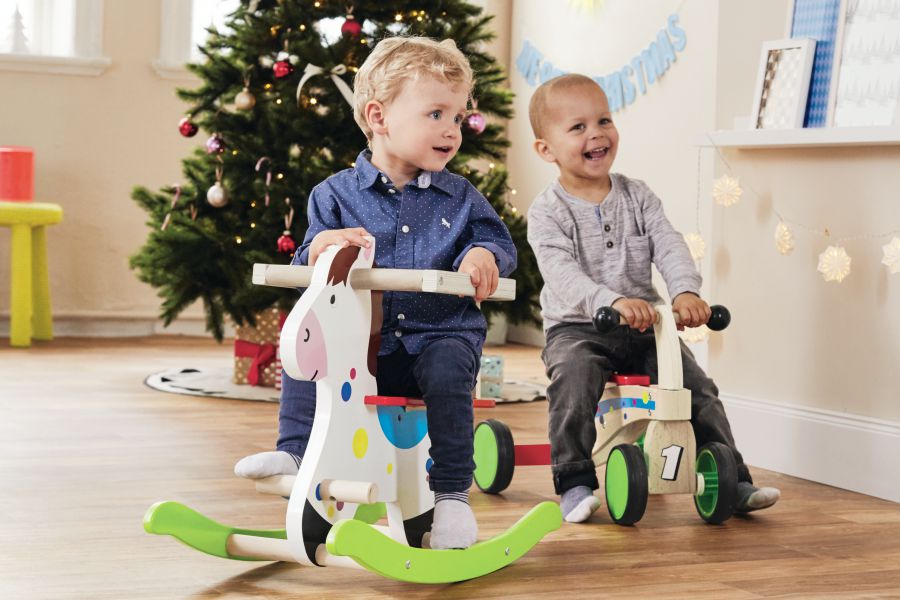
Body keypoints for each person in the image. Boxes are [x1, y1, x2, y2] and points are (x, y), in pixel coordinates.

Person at [234, 36, 516, 550]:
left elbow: (496, 240)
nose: (452, 131)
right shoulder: (334, 195)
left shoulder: (463, 196)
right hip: (363, 344)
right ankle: (297, 452)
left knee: (451, 368)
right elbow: (307, 262)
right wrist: (321, 245)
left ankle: (451, 495)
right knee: (310, 348)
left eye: (457, 118)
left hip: (437, 337)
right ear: (379, 116)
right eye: (436, 114)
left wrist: (484, 257)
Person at [525, 73, 779, 523]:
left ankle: (733, 478)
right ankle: (575, 478)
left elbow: (668, 243)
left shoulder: (637, 195)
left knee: (698, 389)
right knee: (574, 377)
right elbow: (561, 273)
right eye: (578, 127)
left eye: (603, 120)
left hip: (647, 328)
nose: (596, 133)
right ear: (546, 149)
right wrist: (610, 300)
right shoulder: (548, 211)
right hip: (579, 327)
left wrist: (684, 291)